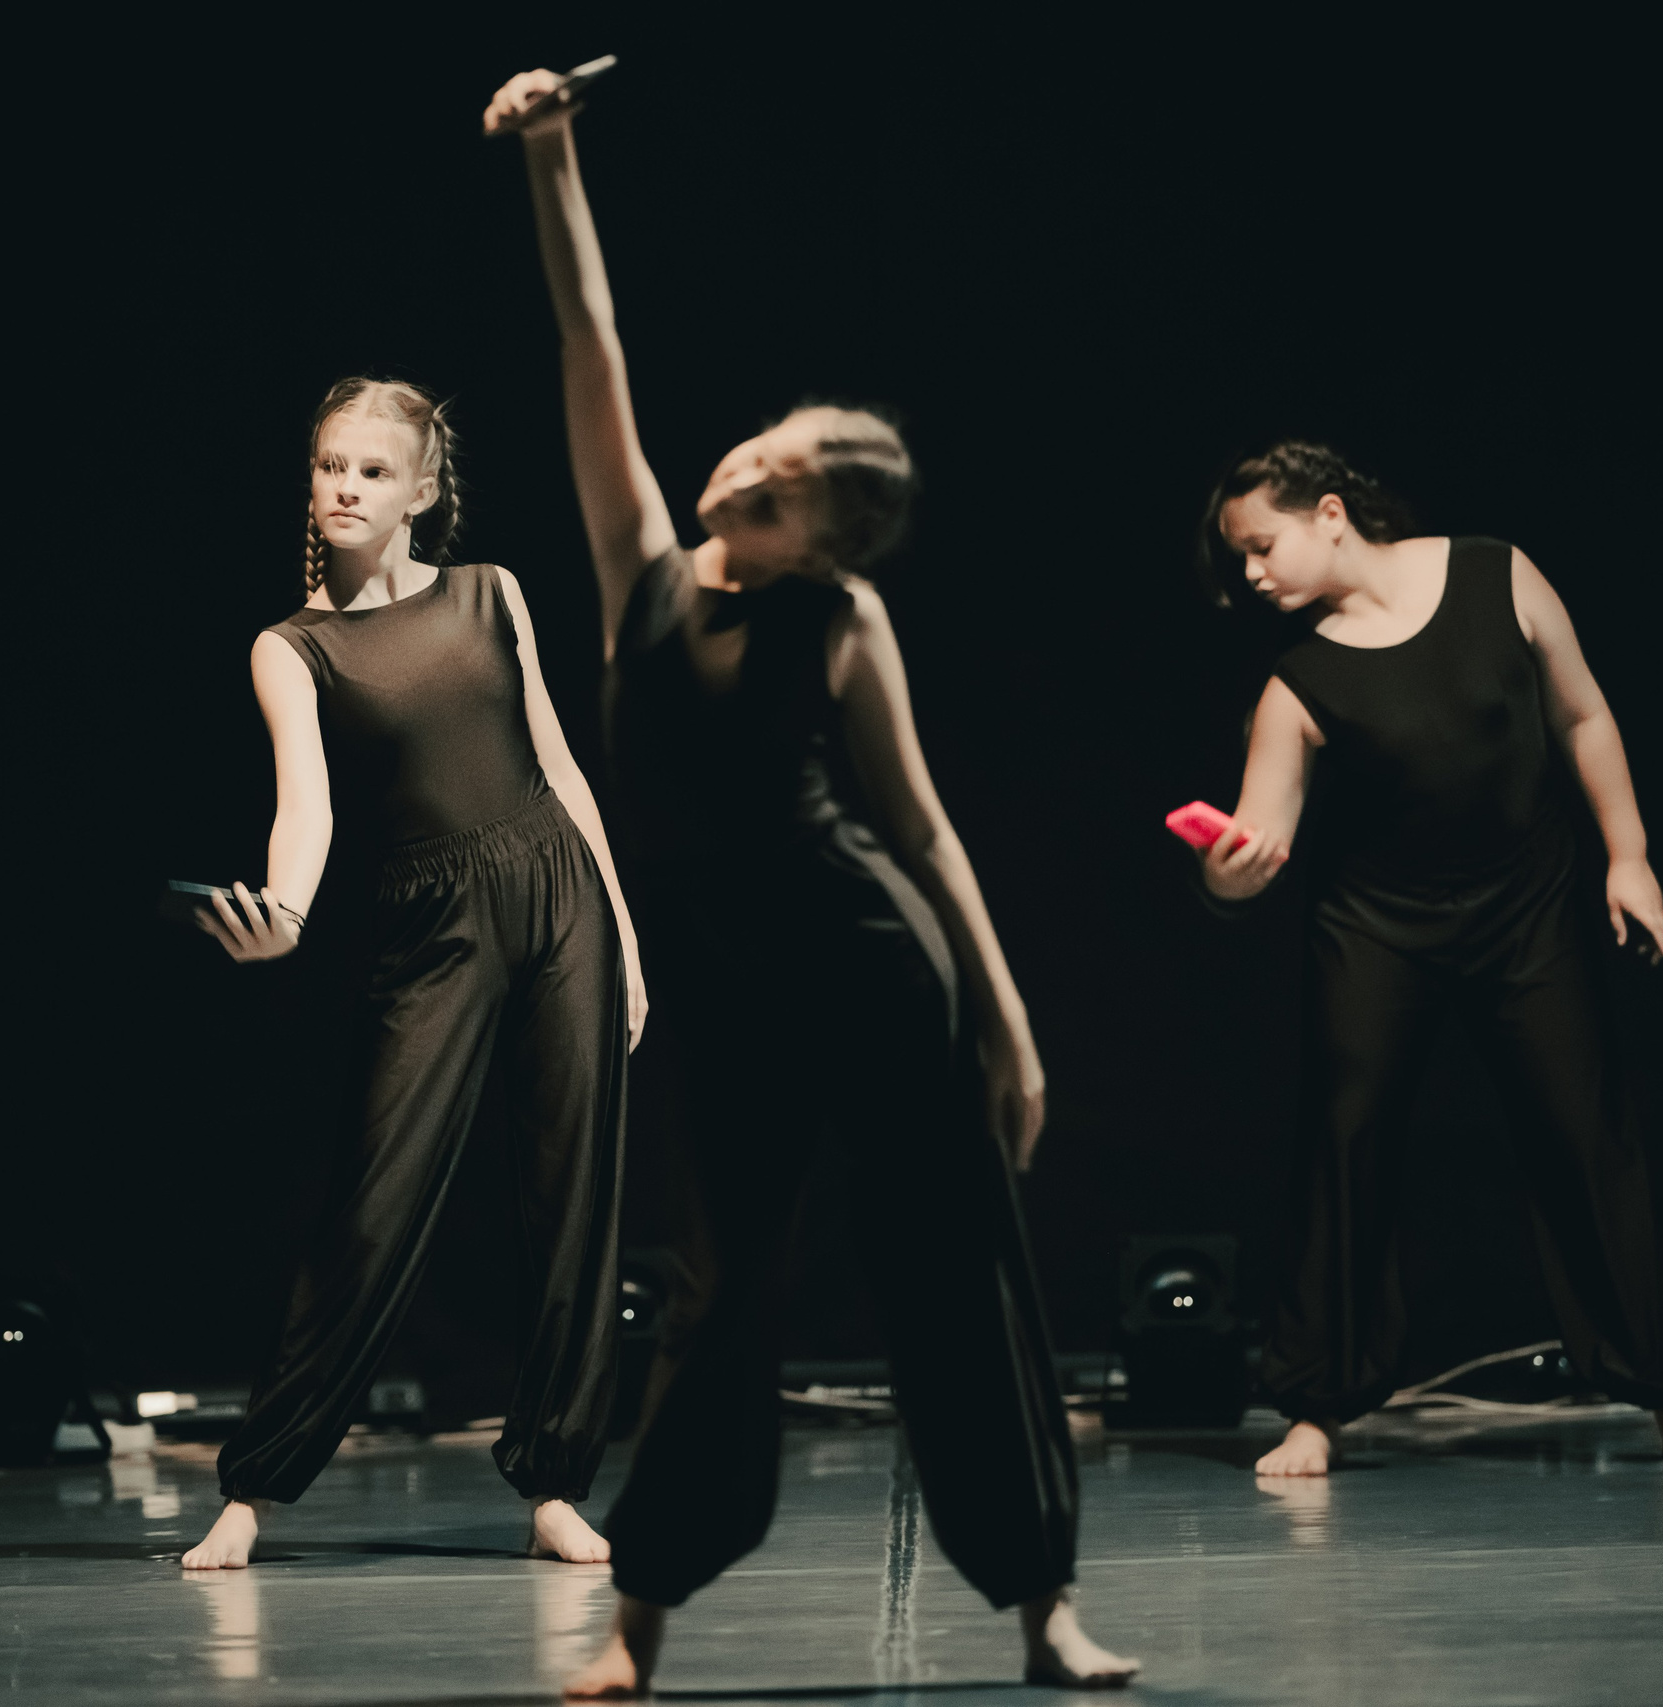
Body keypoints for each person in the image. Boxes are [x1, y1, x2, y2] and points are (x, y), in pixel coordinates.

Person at [486, 69, 1137, 1696]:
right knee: (718, 1300)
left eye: (773, 495)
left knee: (958, 1288)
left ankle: (1043, 1607)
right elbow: (593, 346)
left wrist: (1010, 1027)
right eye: (755, 454)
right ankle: (640, 1623)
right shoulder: (640, 566)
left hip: (873, 968)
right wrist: (554, 155)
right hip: (738, 1001)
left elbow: (918, 835)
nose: (737, 479)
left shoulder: (838, 622)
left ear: (813, 546)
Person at [1195, 440, 1663, 1477]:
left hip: (1524, 906)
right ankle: (1316, 1408)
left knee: (1587, 1133)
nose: (1252, 575)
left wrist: (1627, 858)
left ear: (1327, 512)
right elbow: (1252, 854)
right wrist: (1234, 868)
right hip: (1374, 925)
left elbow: (1581, 713)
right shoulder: (1296, 684)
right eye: (1240, 562)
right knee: (1346, 1138)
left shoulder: (1497, 575)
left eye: (1261, 548)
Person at [183, 377, 645, 1571]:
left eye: (372, 471)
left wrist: (626, 938)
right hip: (430, 924)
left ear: (421, 492)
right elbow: (308, 811)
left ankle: (553, 1485)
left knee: (574, 1198)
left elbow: (557, 765)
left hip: (560, 898)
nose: (344, 486)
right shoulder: (295, 647)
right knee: (371, 1205)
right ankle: (256, 1490)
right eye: (331, 465)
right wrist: (282, 916)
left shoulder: (492, 595)